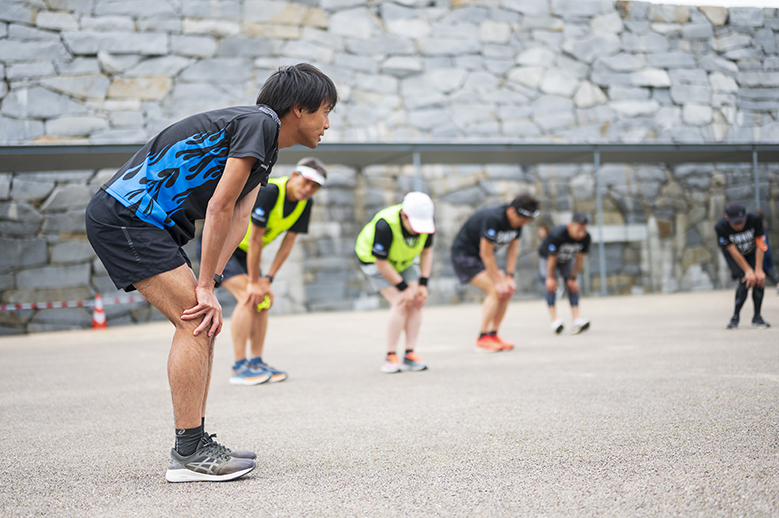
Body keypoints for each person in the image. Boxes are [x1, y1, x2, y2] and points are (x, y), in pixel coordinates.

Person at [85, 63, 337, 483]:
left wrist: (213, 282)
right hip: (125, 215)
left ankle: (195, 445)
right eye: (325, 111)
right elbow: (219, 206)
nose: (328, 124)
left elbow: (240, 215)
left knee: (203, 318)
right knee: (194, 321)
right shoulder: (260, 122)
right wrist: (201, 285)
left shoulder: (267, 145)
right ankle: (188, 452)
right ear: (298, 109)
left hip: (146, 223)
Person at [208, 157, 327, 386]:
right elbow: (255, 238)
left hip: (247, 253)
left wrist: (268, 279)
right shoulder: (270, 191)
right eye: (306, 182)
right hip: (224, 247)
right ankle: (239, 367)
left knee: (261, 300)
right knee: (248, 296)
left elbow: (288, 243)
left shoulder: (305, 204)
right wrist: (255, 282)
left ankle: (256, 361)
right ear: (294, 175)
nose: (308, 189)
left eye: (315, 187)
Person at [355, 192, 435, 373]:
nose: (419, 231)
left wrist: (423, 284)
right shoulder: (386, 224)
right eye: (415, 226)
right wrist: (402, 287)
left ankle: (410, 353)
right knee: (401, 302)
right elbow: (381, 262)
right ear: (404, 215)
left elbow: (427, 252)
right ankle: (390, 356)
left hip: (404, 260)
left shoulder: (426, 222)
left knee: (416, 301)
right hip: (374, 261)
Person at [450, 194, 540, 352]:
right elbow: (486, 253)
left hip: (483, 258)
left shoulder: (518, 224)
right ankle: (482, 338)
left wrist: (509, 276)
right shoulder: (493, 219)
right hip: (465, 256)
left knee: (507, 290)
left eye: (527, 222)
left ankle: (493, 335)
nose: (523, 225)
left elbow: (513, 249)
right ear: (512, 212)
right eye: (522, 220)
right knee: (495, 289)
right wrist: (499, 279)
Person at [715, 202, 770, 329]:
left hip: (752, 252)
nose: (739, 225)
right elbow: (732, 250)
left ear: (746, 215)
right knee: (745, 280)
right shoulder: (721, 226)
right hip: (734, 256)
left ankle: (757, 317)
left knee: (758, 279)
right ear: (727, 218)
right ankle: (735, 317)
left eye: (741, 222)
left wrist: (758, 270)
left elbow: (760, 244)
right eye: (735, 223)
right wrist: (748, 271)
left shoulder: (755, 219)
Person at [538, 213, 592, 335]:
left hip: (566, 260)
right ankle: (555, 321)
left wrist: (573, 277)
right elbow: (551, 259)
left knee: (572, 286)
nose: (581, 234)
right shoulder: (558, 234)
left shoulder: (586, 238)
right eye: (578, 230)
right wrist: (550, 277)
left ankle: (576, 319)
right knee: (550, 286)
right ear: (570, 226)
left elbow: (580, 259)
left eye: (584, 230)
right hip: (548, 259)